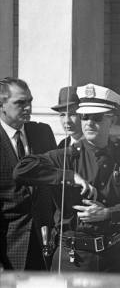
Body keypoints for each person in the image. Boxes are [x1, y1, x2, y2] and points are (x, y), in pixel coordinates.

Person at [13, 83, 120, 272]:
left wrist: (109, 213)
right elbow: (21, 170)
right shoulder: (65, 156)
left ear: (111, 120)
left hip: (113, 256)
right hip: (74, 259)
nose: (89, 123)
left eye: (96, 117)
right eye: (84, 117)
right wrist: (69, 176)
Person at [0, 77, 57, 270]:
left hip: (45, 243)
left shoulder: (43, 133)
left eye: (30, 101)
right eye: (20, 102)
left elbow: (55, 184)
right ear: (2, 105)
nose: (28, 107)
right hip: (9, 248)